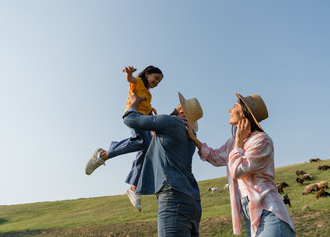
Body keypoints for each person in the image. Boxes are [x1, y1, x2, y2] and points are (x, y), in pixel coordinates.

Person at [185, 92, 295, 237]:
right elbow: (214, 157)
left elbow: (237, 170)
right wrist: (193, 138)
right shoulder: (232, 143)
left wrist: (238, 142)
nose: (229, 110)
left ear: (245, 113)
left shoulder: (262, 141)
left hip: (269, 214)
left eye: (235, 106)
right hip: (251, 217)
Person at [123, 92, 203, 237]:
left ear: (181, 110)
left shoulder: (170, 122)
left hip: (174, 198)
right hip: (193, 203)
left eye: (179, 104)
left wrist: (133, 103)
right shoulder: (191, 136)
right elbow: (169, 145)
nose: (176, 106)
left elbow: (130, 119)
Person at [85, 65, 163, 212]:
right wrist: (129, 74)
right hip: (134, 116)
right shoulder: (139, 81)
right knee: (142, 142)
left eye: (159, 82)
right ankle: (102, 155)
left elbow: (147, 111)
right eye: (156, 78)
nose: (157, 82)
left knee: (147, 149)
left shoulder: (148, 94)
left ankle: (133, 187)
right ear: (147, 74)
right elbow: (131, 80)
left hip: (144, 121)